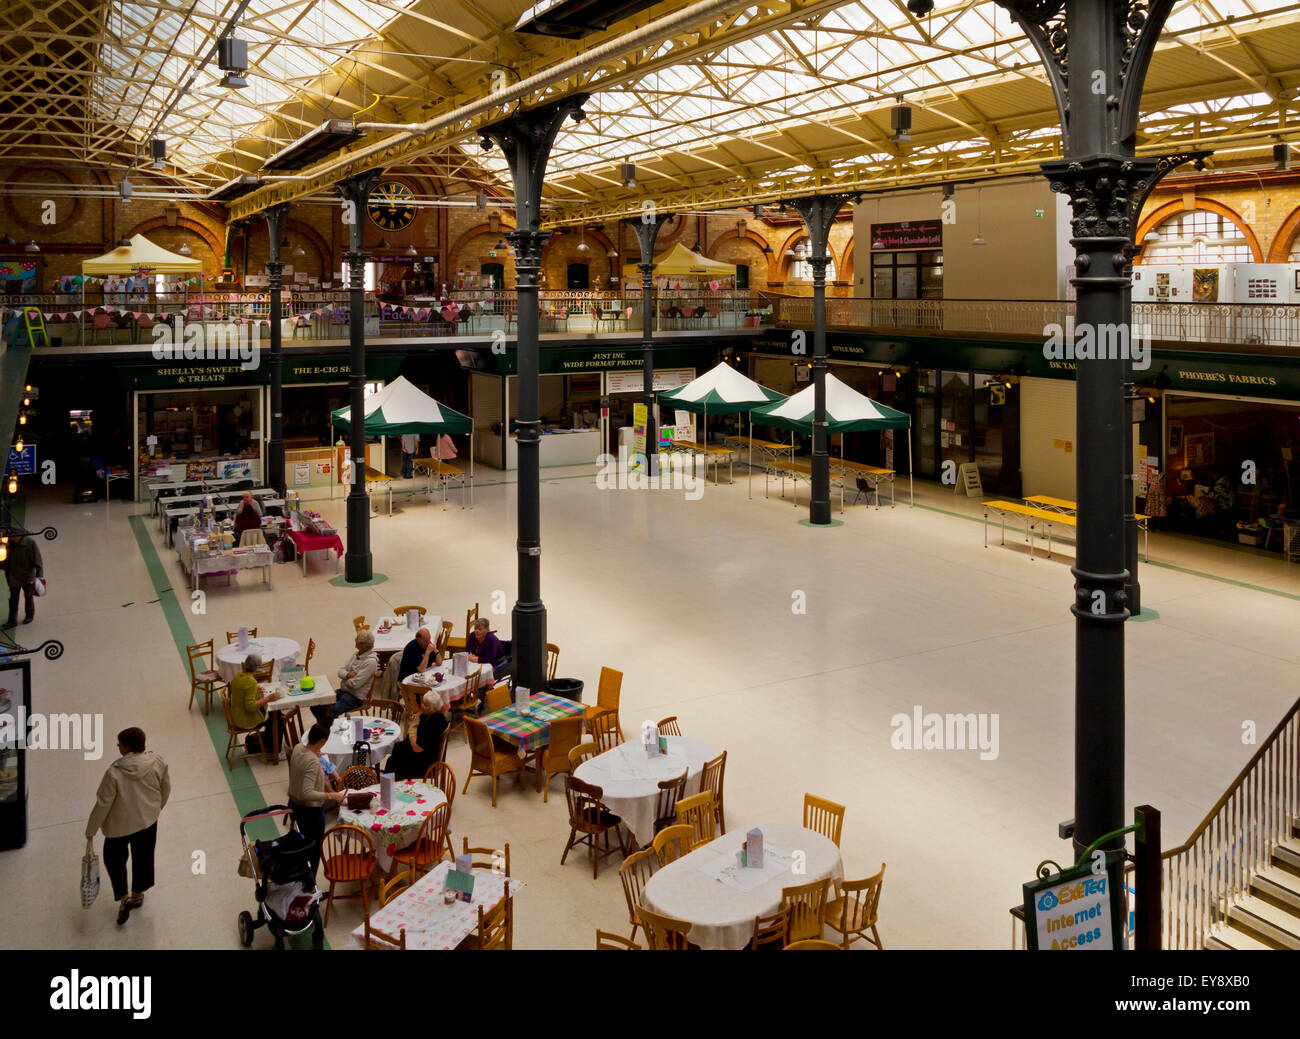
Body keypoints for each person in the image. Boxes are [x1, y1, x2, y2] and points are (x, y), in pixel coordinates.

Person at [85, 727, 170, 926]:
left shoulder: (114, 772)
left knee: (114, 860)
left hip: (118, 827)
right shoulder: (157, 762)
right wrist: (157, 808)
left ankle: (123, 898)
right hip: (147, 821)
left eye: (120, 744)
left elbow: (103, 803)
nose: (118, 746)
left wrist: (91, 830)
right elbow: (165, 787)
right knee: (144, 856)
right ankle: (137, 894)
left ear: (127, 747)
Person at [288, 722, 347, 876]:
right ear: (321, 741)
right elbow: (307, 792)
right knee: (314, 850)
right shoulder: (313, 763)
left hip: (293, 804)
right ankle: (310, 884)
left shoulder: (298, 748)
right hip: (310, 811)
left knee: (303, 846)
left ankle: (303, 884)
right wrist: (330, 795)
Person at [311, 630, 378, 721]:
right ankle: (327, 727)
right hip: (343, 692)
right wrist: (347, 675)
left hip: (355, 697)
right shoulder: (355, 655)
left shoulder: (371, 662)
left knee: (332, 711)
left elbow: (355, 684)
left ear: (361, 644)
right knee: (316, 705)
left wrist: (344, 679)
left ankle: (326, 727)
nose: (355, 639)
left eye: (356, 639)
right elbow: (340, 671)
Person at [384, 689, 448, 780]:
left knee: (392, 761)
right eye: (422, 702)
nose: (421, 706)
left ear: (433, 708)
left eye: (425, 705)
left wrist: (413, 727)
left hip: (425, 762)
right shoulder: (432, 714)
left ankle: (389, 786)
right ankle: (388, 783)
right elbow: (420, 721)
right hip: (425, 754)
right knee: (396, 751)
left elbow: (417, 748)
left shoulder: (436, 721)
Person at [228, 654, 283, 755]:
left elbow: (241, 690)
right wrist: (268, 698)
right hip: (245, 719)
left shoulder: (238, 675)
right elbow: (250, 707)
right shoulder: (251, 682)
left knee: (273, 714)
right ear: (257, 668)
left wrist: (256, 689)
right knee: (277, 717)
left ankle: (269, 743)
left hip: (236, 715)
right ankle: (275, 750)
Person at [3, 531, 44, 630]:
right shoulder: (7, 543)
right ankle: (12, 620)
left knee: (28, 596)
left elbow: (38, 560)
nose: (11, 538)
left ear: (19, 536)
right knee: (13, 598)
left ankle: (29, 615)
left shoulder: (29, 543)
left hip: (27, 575)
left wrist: (39, 577)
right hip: (13, 576)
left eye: (13, 537)